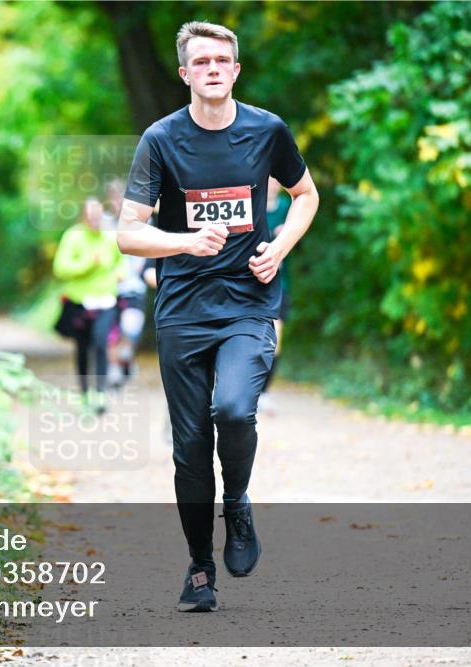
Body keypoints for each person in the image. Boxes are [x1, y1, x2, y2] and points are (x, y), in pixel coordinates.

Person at [116, 21, 319, 612]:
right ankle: (200, 569)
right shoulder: (160, 140)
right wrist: (183, 241)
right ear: (184, 73)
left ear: (235, 70)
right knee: (188, 445)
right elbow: (128, 234)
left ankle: (239, 502)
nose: (212, 68)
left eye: (222, 60)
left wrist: (279, 247)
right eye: (200, 61)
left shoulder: (266, 130)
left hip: (249, 301)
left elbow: (306, 194)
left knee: (233, 407)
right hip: (183, 309)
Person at [53, 197, 124, 412]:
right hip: (79, 302)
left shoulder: (110, 237)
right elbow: (61, 268)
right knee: (83, 348)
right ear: (83, 216)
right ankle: (85, 393)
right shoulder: (73, 236)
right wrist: (87, 264)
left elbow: (121, 261)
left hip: (106, 300)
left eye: (98, 216)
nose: (95, 220)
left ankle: (101, 393)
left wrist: (120, 274)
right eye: (91, 216)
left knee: (102, 343)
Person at [105, 178, 148, 387]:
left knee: (131, 328)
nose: (117, 203)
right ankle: (113, 370)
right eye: (113, 199)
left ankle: (126, 357)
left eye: (121, 198)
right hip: (109, 287)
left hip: (134, 287)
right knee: (110, 331)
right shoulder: (105, 224)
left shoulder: (143, 222)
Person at [258, 177, 293, 412]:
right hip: (251, 284)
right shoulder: (251, 206)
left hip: (279, 285)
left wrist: (286, 236)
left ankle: (264, 392)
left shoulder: (287, 208)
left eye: (274, 180)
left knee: (274, 340)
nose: (271, 184)